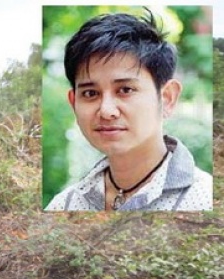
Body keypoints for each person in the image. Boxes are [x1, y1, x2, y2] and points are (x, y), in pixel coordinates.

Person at [45, 10, 212, 211]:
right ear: (73, 103)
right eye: (90, 93)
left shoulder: (205, 199)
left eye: (125, 90)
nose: (106, 111)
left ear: (167, 98)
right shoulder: (64, 206)